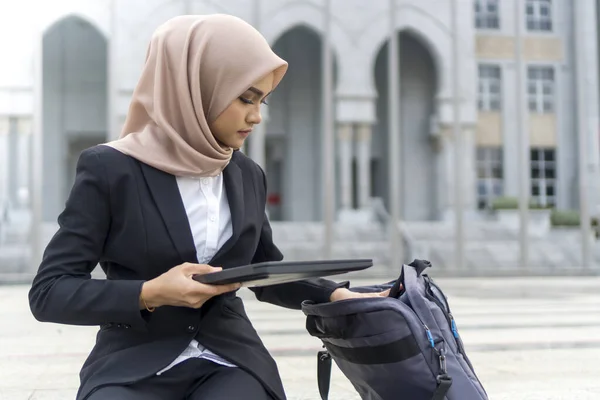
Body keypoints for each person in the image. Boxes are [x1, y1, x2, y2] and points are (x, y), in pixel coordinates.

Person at [28, 14, 389, 400]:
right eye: (245, 98)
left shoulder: (247, 174)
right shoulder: (111, 169)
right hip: (132, 362)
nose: (257, 116)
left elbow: (263, 270)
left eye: (262, 100)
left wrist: (334, 295)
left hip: (228, 357)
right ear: (195, 89)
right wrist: (149, 293)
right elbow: (50, 292)